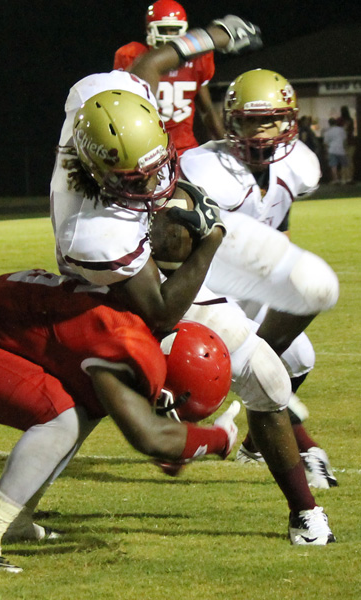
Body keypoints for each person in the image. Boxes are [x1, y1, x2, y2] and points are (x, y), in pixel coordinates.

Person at [51, 28, 336, 545]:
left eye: (157, 160)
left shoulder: (105, 96)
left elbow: (150, 64)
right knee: (93, 399)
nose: (154, 181)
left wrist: (211, 36)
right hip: (131, 283)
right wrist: (210, 237)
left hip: (160, 248)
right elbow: (161, 307)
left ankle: (302, 509)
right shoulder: (93, 231)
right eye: (136, 178)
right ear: (98, 170)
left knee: (281, 351)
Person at [0, 269, 239, 572]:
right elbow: (151, 437)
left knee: (82, 412)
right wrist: (218, 440)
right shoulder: (128, 344)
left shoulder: (132, 327)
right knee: (62, 419)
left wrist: (176, 443)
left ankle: (17, 520)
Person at [179, 68, 340, 491]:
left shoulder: (298, 165)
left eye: (271, 120)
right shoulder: (204, 168)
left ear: (290, 121)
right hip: (207, 285)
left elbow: (278, 226)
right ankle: (306, 449)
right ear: (232, 123)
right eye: (251, 121)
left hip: (249, 283)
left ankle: (255, 442)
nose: (261, 132)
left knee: (300, 358)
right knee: (261, 365)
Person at [114, 0, 225, 154]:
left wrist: (225, 145)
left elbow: (206, 109)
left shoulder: (198, 58)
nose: (169, 36)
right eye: (163, 30)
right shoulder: (134, 56)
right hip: (149, 148)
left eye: (174, 30)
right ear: (150, 29)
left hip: (185, 148)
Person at [323, 117, 349, 184]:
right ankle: (344, 179)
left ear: (329, 123)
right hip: (341, 149)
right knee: (344, 165)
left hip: (332, 150)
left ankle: (335, 179)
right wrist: (346, 149)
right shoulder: (341, 130)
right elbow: (344, 140)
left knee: (333, 166)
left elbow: (325, 143)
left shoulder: (327, 132)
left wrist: (327, 151)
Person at [337, 105, 356, 183]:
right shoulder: (350, 120)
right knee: (350, 161)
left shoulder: (339, 120)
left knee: (343, 161)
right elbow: (351, 130)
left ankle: (343, 178)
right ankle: (349, 177)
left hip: (342, 143)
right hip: (350, 142)